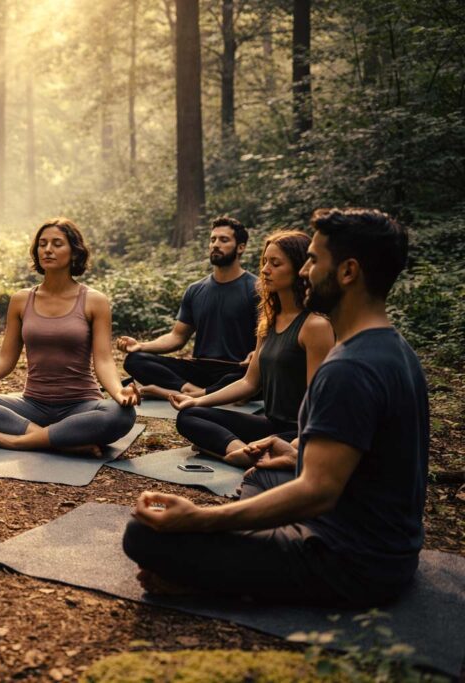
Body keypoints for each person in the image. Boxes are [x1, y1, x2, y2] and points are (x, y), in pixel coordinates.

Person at [122, 208, 428, 607]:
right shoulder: (395, 349)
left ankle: (207, 579)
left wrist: (197, 518)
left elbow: (316, 494)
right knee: (262, 475)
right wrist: (296, 451)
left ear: (348, 272)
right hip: (382, 543)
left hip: (352, 560)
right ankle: (219, 562)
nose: (304, 272)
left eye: (314, 260)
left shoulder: (349, 367)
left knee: (142, 534)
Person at [0, 218, 140, 456]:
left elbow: (104, 361)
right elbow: (4, 361)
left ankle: (17, 441)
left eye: (57, 244)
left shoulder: (95, 301)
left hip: (81, 406)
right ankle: (60, 440)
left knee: (121, 415)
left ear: (74, 252)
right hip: (31, 405)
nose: (47, 249)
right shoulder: (21, 300)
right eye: (42, 244)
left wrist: (118, 393)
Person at [169, 231, 334, 466]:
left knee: (208, 430)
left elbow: (318, 402)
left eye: (275, 263)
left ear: (301, 268)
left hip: (299, 433)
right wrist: (197, 401)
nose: (265, 269)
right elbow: (249, 383)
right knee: (190, 416)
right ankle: (245, 453)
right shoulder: (269, 319)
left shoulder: (315, 325)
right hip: (270, 424)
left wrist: (297, 444)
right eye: (265, 261)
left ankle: (246, 453)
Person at [117, 216, 259, 400]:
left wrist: (256, 354)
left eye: (224, 240)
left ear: (241, 247)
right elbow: (177, 337)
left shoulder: (257, 288)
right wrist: (141, 345)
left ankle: (187, 393)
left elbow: (270, 338)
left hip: (237, 370)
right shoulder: (195, 289)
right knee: (136, 360)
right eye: (213, 239)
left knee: (259, 373)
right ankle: (188, 390)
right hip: (199, 369)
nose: (216, 244)